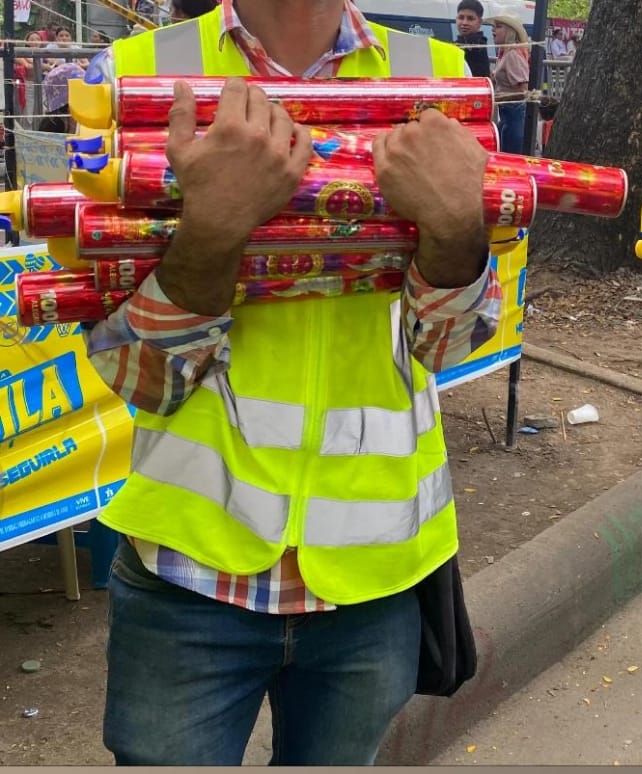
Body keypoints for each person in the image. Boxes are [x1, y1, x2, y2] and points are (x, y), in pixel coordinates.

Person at [81, 0, 501, 764]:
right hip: (190, 571)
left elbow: (448, 344)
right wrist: (210, 231)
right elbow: (134, 374)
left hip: (375, 576)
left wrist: (454, 231)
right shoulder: (139, 78)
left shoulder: (438, 81)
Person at [487, 15, 530, 155]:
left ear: (510, 32)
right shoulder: (505, 53)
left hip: (514, 114)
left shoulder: (512, 54)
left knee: (510, 156)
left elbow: (523, 89)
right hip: (507, 114)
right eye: (494, 26)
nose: (493, 30)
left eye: (498, 27)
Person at [455, 0, 491, 78]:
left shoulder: (477, 44)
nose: (464, 23)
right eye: (461, 17)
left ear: (480, 22)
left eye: (470, 19)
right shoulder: (461, 42)